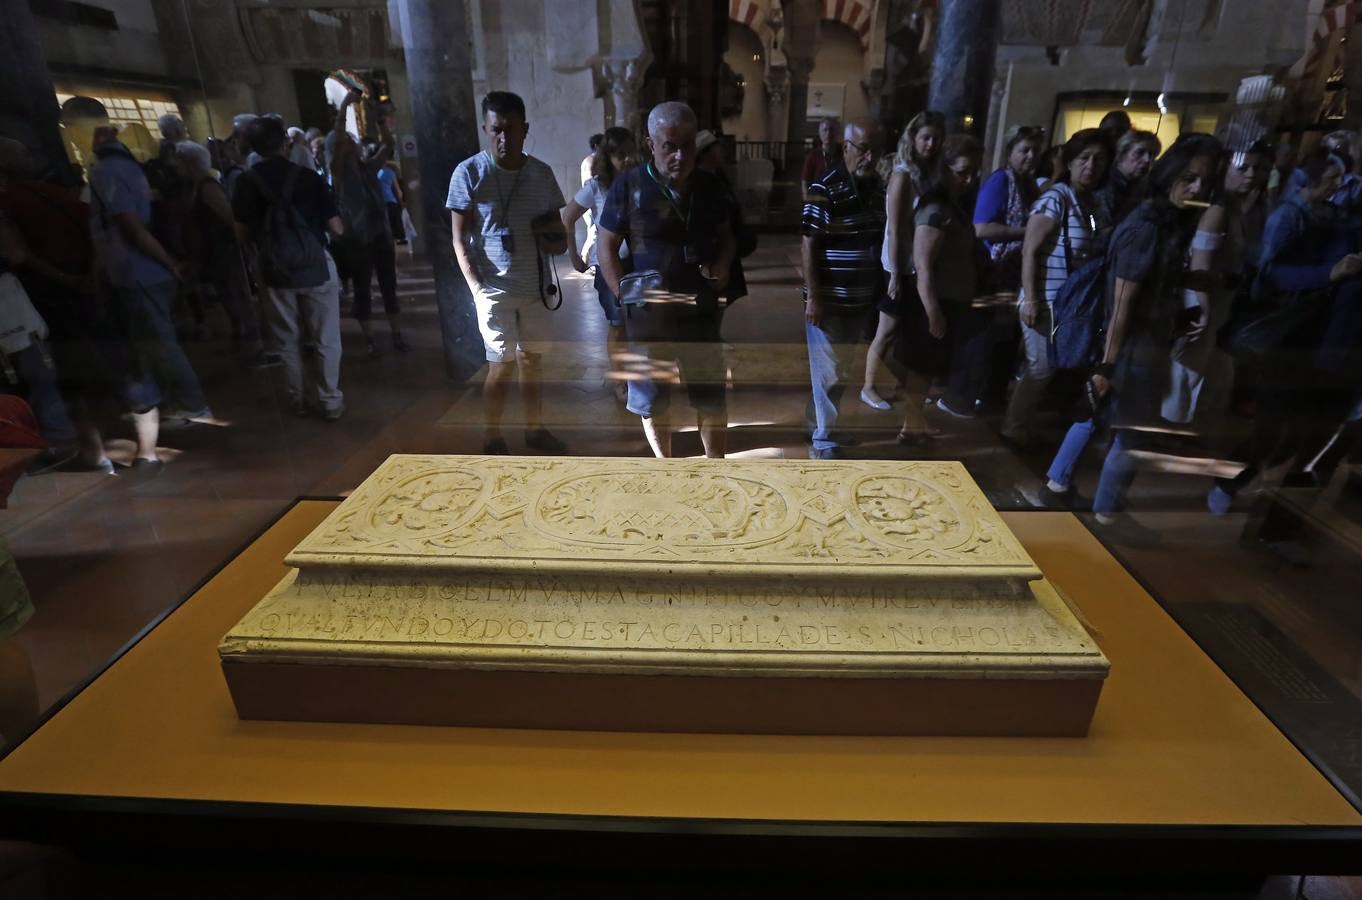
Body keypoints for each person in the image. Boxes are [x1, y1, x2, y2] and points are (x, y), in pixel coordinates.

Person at [1049, 134, 1222, 534]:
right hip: (1130, 344)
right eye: (1189, 178)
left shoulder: (1166, 222)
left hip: (1142, 339)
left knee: (1099, 413)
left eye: (1204, 181)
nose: (1197, 189)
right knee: (1133, 431)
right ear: (1170, 174)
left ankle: (1058, 482)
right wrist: (1107, 364)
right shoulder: (1146, 226)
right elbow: (1123, 302)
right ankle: (1107, 513)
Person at [1208, 151, 1356, 521]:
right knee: (1274, 427)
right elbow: (1270, 276)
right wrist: (1329, 274)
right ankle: (1230, 483)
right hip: (1288, 335)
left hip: (1317, 340)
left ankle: (1244, 485)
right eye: (1331, 179)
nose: (1338, 187)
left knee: (1294, 431)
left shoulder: (1333, 218)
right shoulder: (1291, 216)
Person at [597, 101, 736, 459]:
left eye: (687, 146)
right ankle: (666, 467)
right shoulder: (628, 186)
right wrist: (623, 296)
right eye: (669, 146)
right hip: (649, 313)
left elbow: (729, 235)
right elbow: (606, 244)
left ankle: (715, 466)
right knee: (652, 398)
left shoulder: (709, 186)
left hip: (700, 309)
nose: (679, 155)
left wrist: (721, 265)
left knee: (710, 395)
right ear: (650, 144)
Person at [448, 90, 570, 456]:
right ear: (486, 129)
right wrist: (475, 286)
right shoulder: (468, 172)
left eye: (511, 130)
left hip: (534, 286)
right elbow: (458, 238)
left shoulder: (541, 174)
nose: (503, 138)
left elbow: (559, 240)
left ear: (525, 129)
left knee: (532, 362)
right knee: (499, 365)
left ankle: (535, 429)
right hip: (492, 289)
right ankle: (492, 436)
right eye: (495, 130)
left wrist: (546, 234)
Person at [88, 125, 212, 435]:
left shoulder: (107, 172)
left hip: (138, 270)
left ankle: (191, 402)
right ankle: (164, 400)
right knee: (151, 341)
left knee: (160, 342)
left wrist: (167, 262)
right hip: (143, 268)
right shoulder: (133, 169)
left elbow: (131, 227)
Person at [1000, 128, 1113, 447]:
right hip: (1046, 299)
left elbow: (1093, 239)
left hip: (1071, 302)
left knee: (1047, 367)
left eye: (1099, 159)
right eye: (1084, 158)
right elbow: (1030, 249)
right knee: (1040, 367)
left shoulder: (1091, 203)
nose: (1091, 165)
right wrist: (1032, 298)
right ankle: (1013, 427)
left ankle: (1023, 423)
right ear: (1071, 161)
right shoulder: (1056, 198)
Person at [232, 116, 347, 420]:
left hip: (273, 269)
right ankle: (330, 401)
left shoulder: (246, 182)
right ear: (285, 143)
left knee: (286, 340)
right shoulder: (309, 178)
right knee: (326, 338)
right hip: (315, 266)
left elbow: (241, 234)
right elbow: (337, 228)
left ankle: (296, 401)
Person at [1162, 140, 1270, 425]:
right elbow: (1201, 263)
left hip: (1218, 294)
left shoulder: (1236, 207)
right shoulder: (1218, 209)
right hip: (1203, 295)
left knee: (1198, 365)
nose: (1250, 175)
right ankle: (1170, 426)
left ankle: (1179, 423)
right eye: (1243, 167)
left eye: (1257, 168)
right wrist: (1203, 308)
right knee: (1187, 366)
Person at [801, 117, 887, 460]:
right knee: (829, 371)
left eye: (875, 151)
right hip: (831, 299)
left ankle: (822, 425)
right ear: (846, 148)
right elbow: (808, 243)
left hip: (861, 297)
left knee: (842, 370)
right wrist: (815, 296)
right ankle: (822, 440)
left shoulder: (876, 186)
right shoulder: (825, 185)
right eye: (864, 149)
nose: (870, 157)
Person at [862, 110, 945, 410]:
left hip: (915, 264)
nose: (931, 144)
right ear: (913, 138)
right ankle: (868, 387)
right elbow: (895, 229)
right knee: (886, 330)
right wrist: (895, 274)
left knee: (904, 329)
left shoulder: (928, 172)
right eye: (925, 137)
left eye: (936, 138)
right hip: (897, 264)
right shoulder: (902, 175)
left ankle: (900, 382)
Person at [901, 134, 984, 433]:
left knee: (927, 369)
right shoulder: (936, 208)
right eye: (962, 172)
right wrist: (933, 311)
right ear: (945, 170)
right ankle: (911, 426)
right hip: (935, 302)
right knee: (921, 369)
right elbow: (922, 263)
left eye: (974, 172)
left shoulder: (951, 204)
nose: (970, 179)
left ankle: (914, 423)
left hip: (947, 300)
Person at [562, 126, 640, 400]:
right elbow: (568, 217)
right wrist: (572, 254)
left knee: (640, 324)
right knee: (617, 324)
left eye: (630, 153)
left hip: (638, 262)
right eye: (620, 155)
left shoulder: (641, 182)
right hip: (609, 264)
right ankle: (621, 381)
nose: (627, 160)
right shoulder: (596, 186)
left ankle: (640, 378)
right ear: (608, 157)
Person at [327, 91, 407, 355]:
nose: (355, 143)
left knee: (389, 287)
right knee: (363, 290)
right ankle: (371, 341)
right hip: (358, 238)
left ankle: (396, 335)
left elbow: (388, 144)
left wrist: (380, 120)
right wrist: (345, 106)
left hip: (379, 235)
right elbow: (339, 139)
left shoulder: (369, 167)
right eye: (350, 141)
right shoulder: (339, 171)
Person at [175, 140, 260, 358]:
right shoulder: (196, 185)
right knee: (230, 298)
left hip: (224, 252)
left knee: (237, 298)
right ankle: (245, 341)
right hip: (214, 253)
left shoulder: (207, 186)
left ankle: (252, 346)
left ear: (190, 163)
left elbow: (230, 217)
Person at [695, 129, 755, 305]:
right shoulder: (701, 181)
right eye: (716, 149)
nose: (720, 152)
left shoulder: (719, 177)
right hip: (714, 248)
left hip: (728, 246)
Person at [1099, 129, 1160, 225]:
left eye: (1152, 155)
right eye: (1140, 152)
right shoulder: (1103, 185)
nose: (1147, 160)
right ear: (1122, 153)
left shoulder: (1146, 188)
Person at [801, 117, 842, 196]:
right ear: (820, 133)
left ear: (837, 132)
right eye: (825, 130)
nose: (828, 133)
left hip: (838, 196)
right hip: (819, 197)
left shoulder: (844, 153)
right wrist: (807, 201)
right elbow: (805, 182)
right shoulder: (812, 155)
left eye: (831, 130)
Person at [376, 160, 406, 244]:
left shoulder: (376, 173)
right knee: (396, 223)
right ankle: (399, 240)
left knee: (386, 225)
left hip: (379, 203)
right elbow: (397, 190)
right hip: (391, 201)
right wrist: (401, 202)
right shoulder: (390, 173)